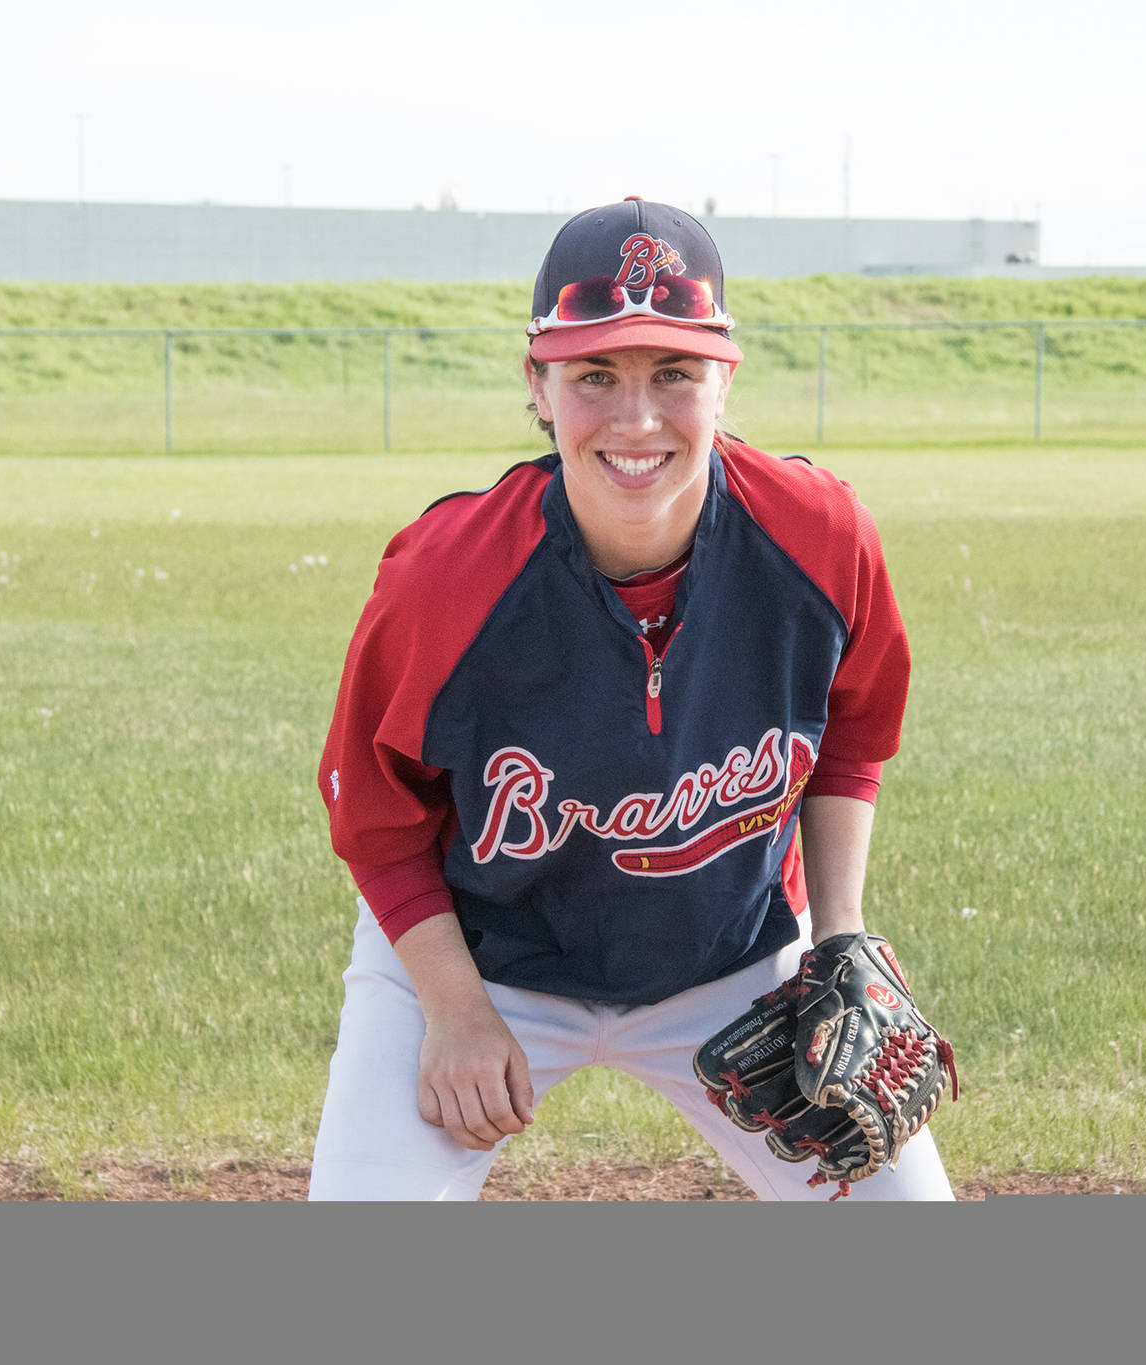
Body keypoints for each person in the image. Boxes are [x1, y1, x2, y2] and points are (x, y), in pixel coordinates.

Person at [308, 197, 953, 1201]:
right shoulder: (444, 581)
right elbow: (378, 820)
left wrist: (837, 933)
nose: (637, 417)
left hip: (734, 960)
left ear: (724, 378)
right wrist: (452, 1010)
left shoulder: (819, 539)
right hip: (481, 957)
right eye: (594, 375)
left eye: (674, 374)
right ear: (538, 385)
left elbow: (847, 741)